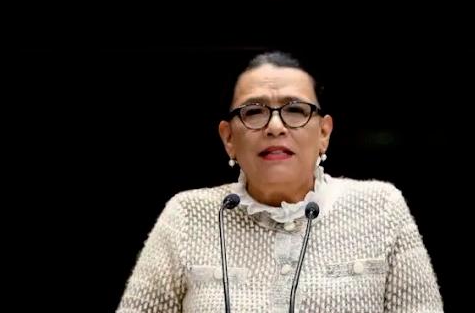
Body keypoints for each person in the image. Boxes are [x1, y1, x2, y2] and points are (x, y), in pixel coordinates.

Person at [117, 51, 444, 312]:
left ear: (324, 133)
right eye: (254, 112)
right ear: (228, 138)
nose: (275, 127)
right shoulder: (188, 215)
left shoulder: (381, 207)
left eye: (296, 110)